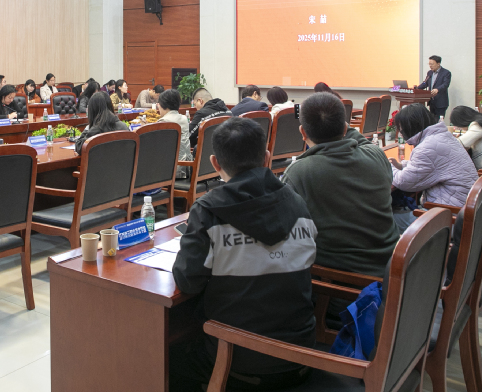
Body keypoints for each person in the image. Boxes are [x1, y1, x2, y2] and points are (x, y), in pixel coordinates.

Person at [171, 118, 316, 392]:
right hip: (304, 357)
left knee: (166, 357)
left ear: (215, 163)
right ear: (267, 158)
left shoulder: (208, 211)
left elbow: (188, 281)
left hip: (238, 364)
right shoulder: (297, 203)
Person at [282, 92, 399, 278]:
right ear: (345, 128)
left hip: (340, 282)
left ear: (302, 132)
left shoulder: (299, 172)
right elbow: (358, 139)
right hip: (390, 269)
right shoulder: (376, 155)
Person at [390, 103, 478, 210]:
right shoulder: (442, 136)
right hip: (462, 205)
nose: (400, 133)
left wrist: (388, 166)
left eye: (401, 128)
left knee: (391, 217)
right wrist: (402, 165)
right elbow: (430, 165)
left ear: (411, 126)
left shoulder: (427, 147)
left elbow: (404, 182)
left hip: (449, 212)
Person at [155, 89, 192, 178]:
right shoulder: (184, 118)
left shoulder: (164, 121)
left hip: (172, 171)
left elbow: (155, 147)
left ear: (163, 105)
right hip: (188, 168)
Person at [416, 55, 451, 122]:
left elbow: (445, 84)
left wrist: (437, 89)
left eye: (432, 64)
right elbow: (425, 83)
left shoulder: (446, 73)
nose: (430, 66)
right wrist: (416, 89)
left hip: (441, 102)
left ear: (438, 64)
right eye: (429, 64)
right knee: (432, 121)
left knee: (439, 122)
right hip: (432, 101)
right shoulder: (430, 73)